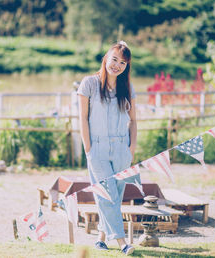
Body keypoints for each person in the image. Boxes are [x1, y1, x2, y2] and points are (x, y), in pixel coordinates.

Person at [77, 41, 137, 255]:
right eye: (114, 59)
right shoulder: (89, 84)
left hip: (122, 149)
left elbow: (133, 120)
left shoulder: (127, 88)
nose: (117, 65)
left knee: (116, 195)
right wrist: (88, 148)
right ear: (106, 57)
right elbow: (83, 118)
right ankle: (123, 243)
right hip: (98, 149)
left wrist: (132, 148)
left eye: (123, 62)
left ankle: (101, 238)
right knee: (107, 195)